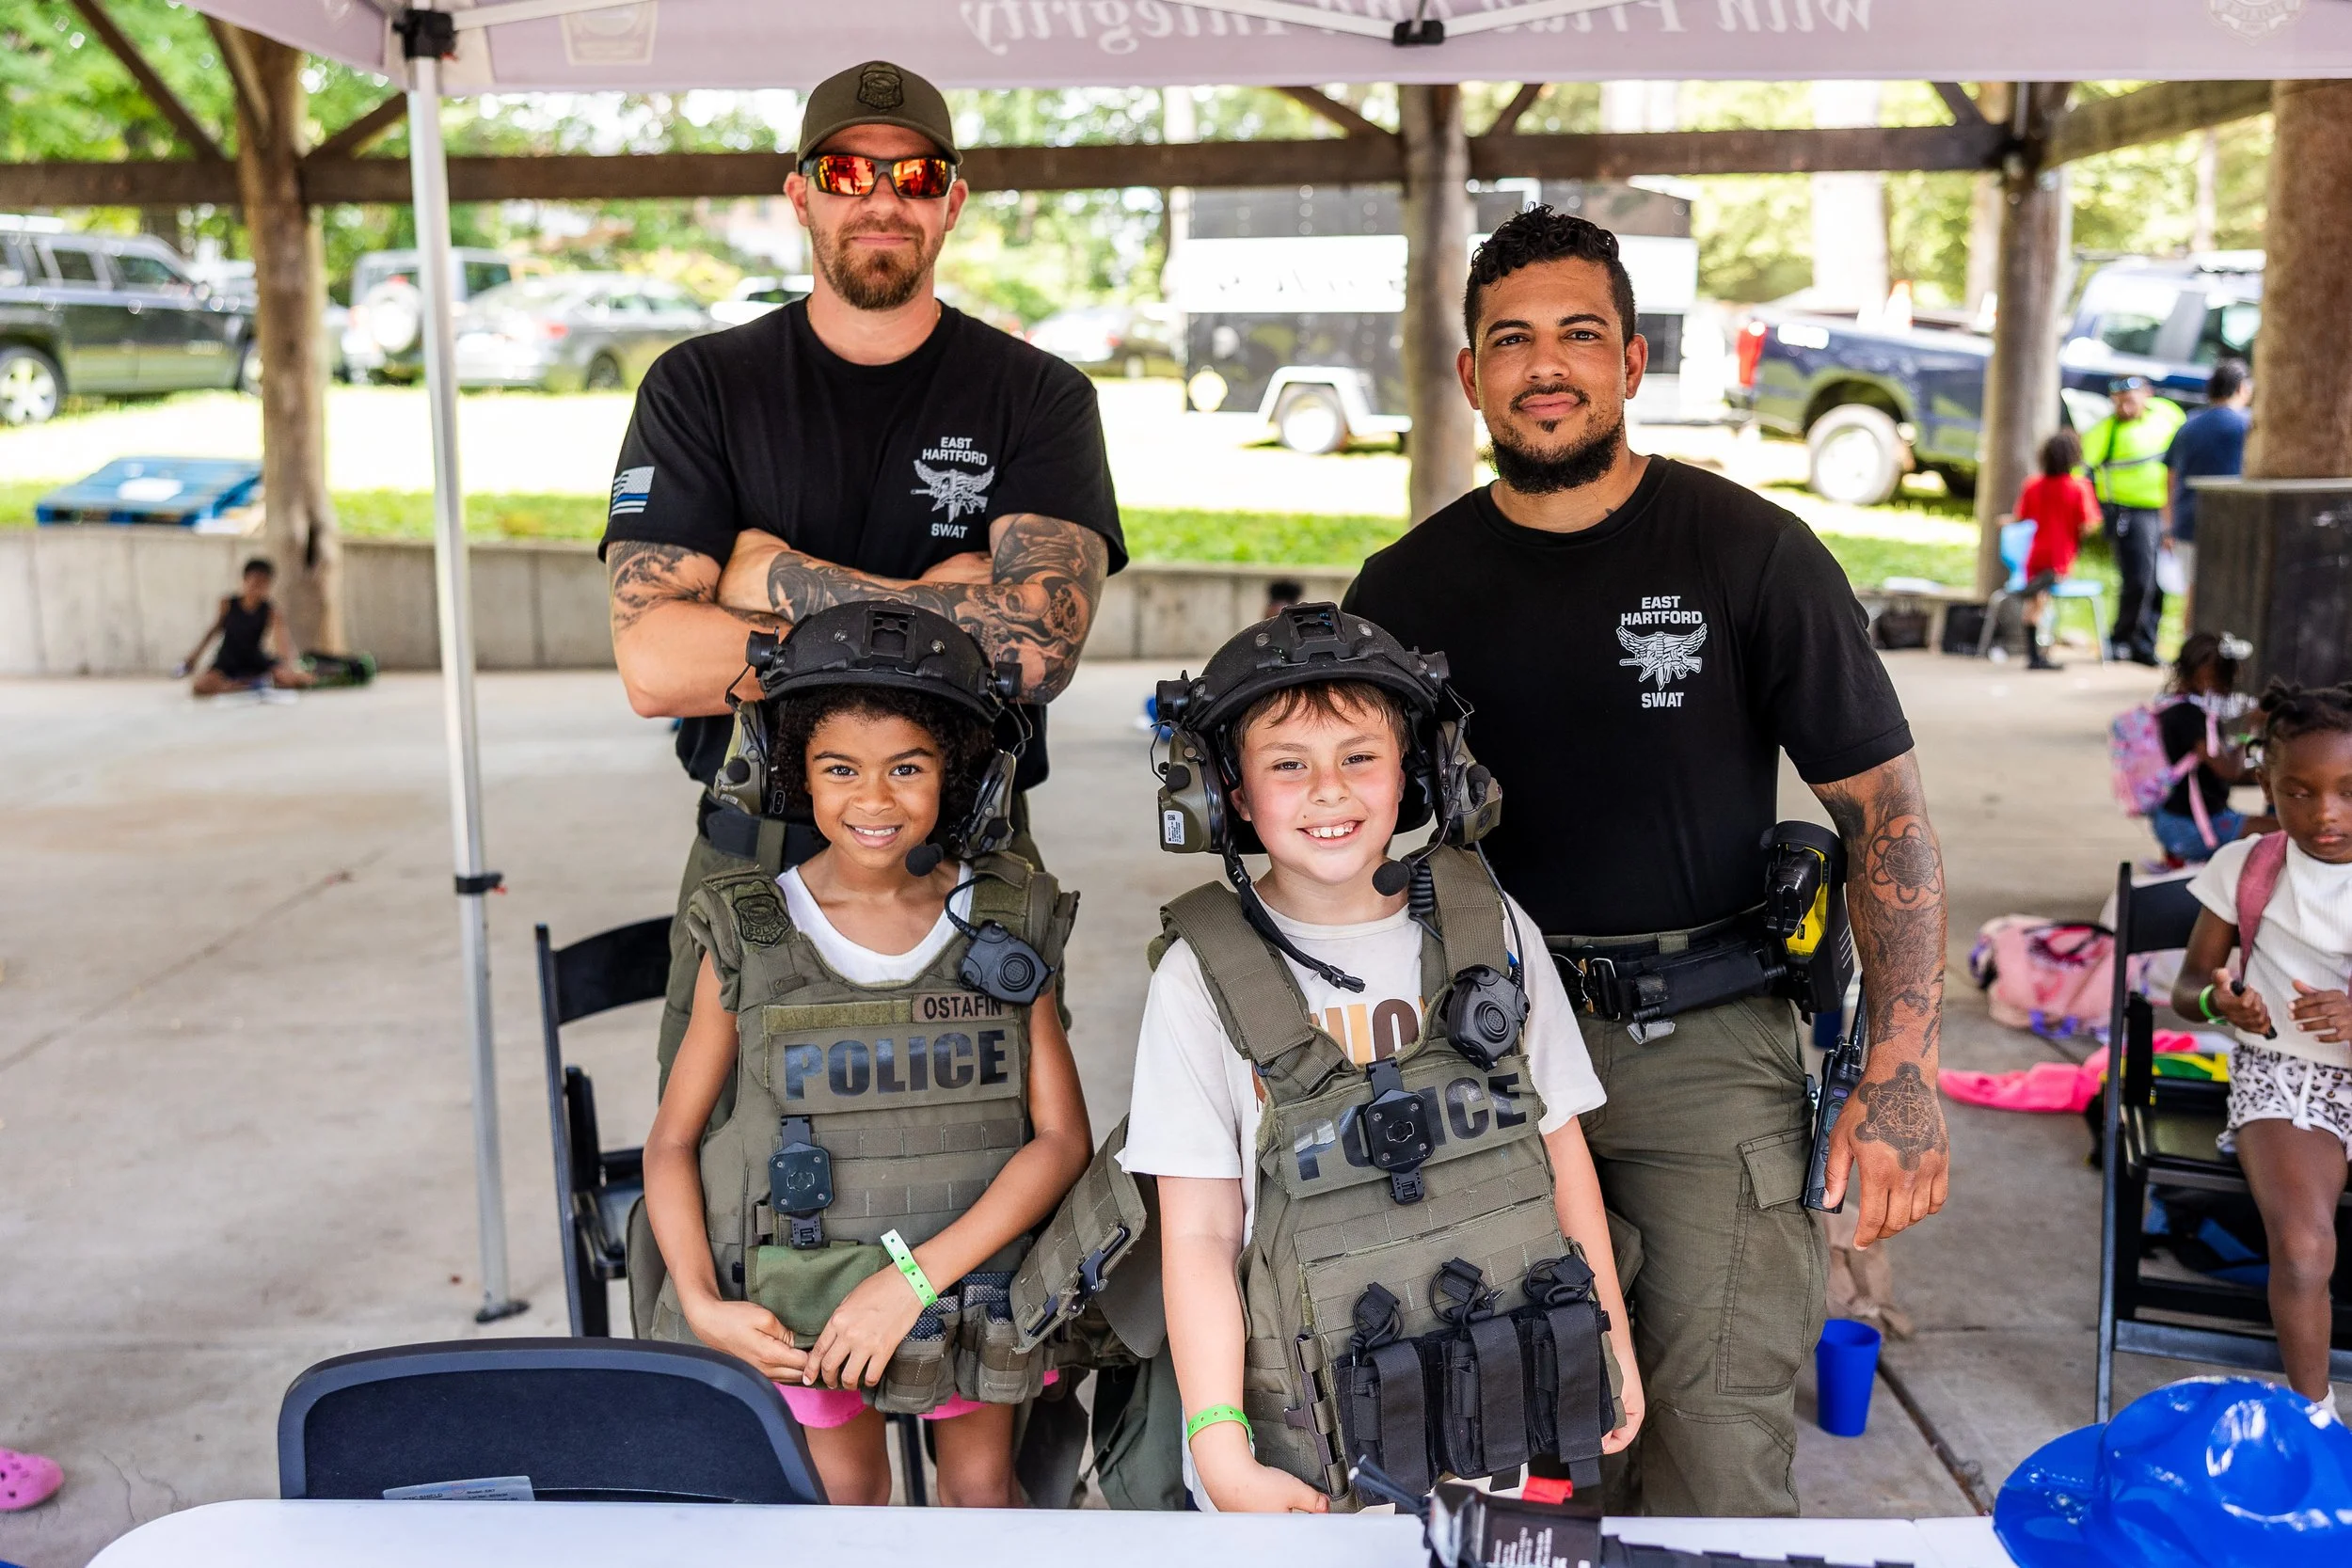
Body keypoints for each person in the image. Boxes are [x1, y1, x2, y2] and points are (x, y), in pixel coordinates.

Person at [1343, 208, 1949, 1517]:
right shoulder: (1404, 589)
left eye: (1578, 334)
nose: (1544, 364)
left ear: (1631, 359)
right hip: (1477, 1050)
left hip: (1705, 1056)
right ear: (1470, 375)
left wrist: (1901, 1067)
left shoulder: (1748, 551)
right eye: (1511, 339)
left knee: (1714, 1450)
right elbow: (1328, 837)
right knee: (1495, 1431)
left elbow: (1886, 816)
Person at [598, 58, 1124, 1100]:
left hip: (966, 853)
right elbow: (654, 662)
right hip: (757, 852)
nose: (881, 198)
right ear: (799, 194)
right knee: (723, 1168)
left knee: (995, 1168)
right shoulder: (700, 386)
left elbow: (1037, 647)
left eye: (915, 176)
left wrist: (769, 578)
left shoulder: (1040, 397)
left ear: (952, 203)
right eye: (846, 173)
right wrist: (944, 600)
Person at [1123, 607, 1640, 1513]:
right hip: (1306, 1448)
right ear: (1229, 796)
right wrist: (1219, 1448)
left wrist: (1612, 1346)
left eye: (1359, 756)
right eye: (1287, 764)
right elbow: (1200, 1234)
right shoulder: (1199, 976)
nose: (1328, 791)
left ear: (1415, 775)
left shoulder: (1492, 929)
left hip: (1503, 1415)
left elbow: (1561, 1153)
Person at [643, 602, 1093, 1506]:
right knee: (843, 1512)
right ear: (795, 775)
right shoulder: (749, 930)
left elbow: (1061, 1140)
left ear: (953, 774)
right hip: (799, 1301)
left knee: (982, 1501)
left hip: (972, 1291)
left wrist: (913, 1280)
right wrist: (701, 1300)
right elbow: (673, 1142)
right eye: (839, 768)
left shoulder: (1006, 916)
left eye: (908, 768)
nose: (875, 800)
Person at [2169, 679, 2352, 1418]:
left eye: (2346, 790)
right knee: (2305, 1249)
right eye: (2299, 792)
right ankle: (2315, 1422)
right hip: (2287, 1073)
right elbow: (2187, 985)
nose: (2326, 812)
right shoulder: (2246, 866)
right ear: (2267, 787)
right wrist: (2222, 999)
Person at [2082, 374, 2186, 667]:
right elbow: (2081, 472)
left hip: (2162, 510)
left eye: (2130, 401)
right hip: (2128, 512)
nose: (2125, 409)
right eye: (2119, 403)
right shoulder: (2105, 430)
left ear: (2147, 395)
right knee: (2138, 579)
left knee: (2158, 582)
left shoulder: (2167, 416)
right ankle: (2120, 640)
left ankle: (2145, 645)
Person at [2150, 632, 2261, 863]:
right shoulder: (2190, 716)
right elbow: (2228, 770)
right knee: (2282, 832)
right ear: (2209, 678)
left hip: (2172, 818)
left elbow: (2212, 771)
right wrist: (2250, 728)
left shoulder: (2172, 704)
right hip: (2191, 827)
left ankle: (2175, 860)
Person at [2165, 357, 2253, 626]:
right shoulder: (2247, 426)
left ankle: (2190, 658)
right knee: (2231, 595)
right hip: (2233, 525)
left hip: (2187, 522)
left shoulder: (2189, 426)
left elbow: (2170, 477)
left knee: (2194, 592)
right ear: (2241, 388)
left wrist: (2168, 523)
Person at [2013, 430, 2100, 672]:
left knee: (2035, 603)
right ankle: (2038, 657)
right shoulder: (2078, 488)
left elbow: (2022, 516)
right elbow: (2089, 524)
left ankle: (2034, 655)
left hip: (2036, 554)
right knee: (2041, 600)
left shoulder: (2033, 485)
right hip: (2060, 557)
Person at [179, 558, 315, 697]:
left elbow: (283, 642)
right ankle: (243, 686)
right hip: (228, 659)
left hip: (254, 658)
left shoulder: (270, 611)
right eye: (255, 582)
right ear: (245, 580)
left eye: (264, 584)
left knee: (294, 680)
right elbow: (213, 631)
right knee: (200, 686)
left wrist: (289, 667)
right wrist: (194, 657)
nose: (258, 587)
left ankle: (250, 683)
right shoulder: (228, 604)